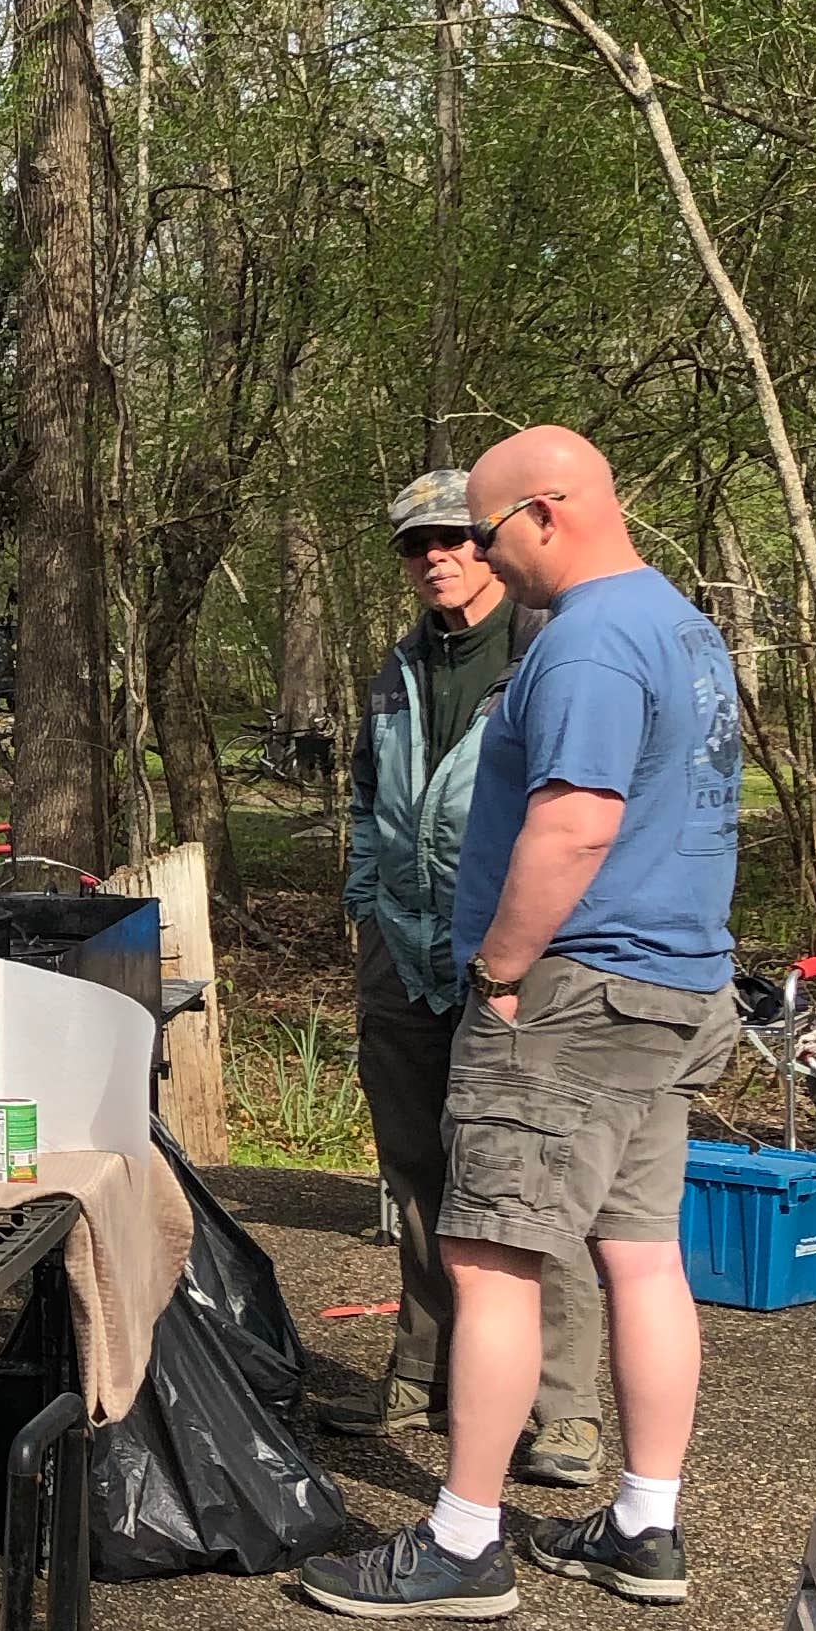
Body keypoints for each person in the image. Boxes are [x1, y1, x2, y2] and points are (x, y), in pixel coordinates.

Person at [302, 426, 741, 1622]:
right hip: (675, 982)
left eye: (489, 531)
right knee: (643, 1255)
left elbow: (577, 823)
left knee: (489, 1255)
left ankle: (461, 1540)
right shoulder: (686, 629)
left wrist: (500, 969)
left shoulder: (589, 643)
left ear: (545, 513)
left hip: (577, 990)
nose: (483, 555)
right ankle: (647, 1523)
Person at [324, 467, 601, 1483]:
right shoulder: (395, 669)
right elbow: (366, 793)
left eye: (452, 537)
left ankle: (565, 1412)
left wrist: (530, 952)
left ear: (489, 543)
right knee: (413, 1174)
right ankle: (421, 1371)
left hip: (516, 959)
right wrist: (365, 904)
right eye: (415, 544)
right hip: (402, 949)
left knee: (531, 1188)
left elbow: (577, 813)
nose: (436, 557)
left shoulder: (548, 654)